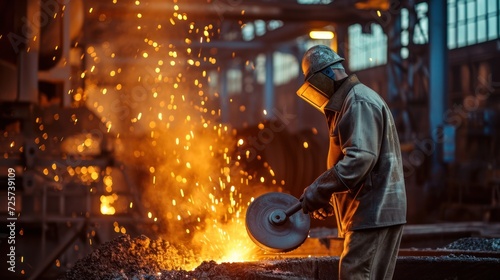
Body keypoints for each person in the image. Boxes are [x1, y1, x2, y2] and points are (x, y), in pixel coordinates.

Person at [296, 45, 407, 280]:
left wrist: (319, 188)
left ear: (327, 74)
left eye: (314, 82)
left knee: (354, 274)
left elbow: (360, 159)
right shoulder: (346, 102)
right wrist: (329, 196)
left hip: (373, 211)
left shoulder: (357, 101)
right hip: (369, 211)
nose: (316, 90)